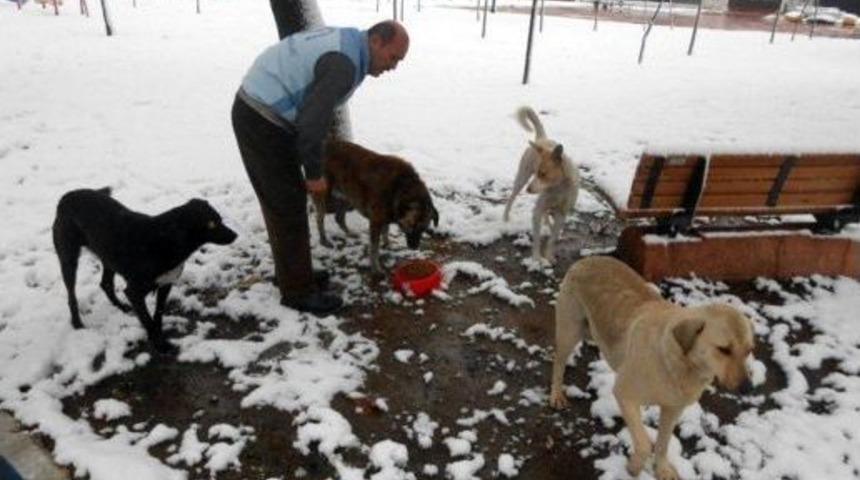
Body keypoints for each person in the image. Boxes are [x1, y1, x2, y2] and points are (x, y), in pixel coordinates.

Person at [231, 21, 409, 315]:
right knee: (286, 203)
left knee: (285, 200)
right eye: (393, 58)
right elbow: (312, 123)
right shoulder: (344, 64)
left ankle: (293, 274)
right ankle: (297, 292)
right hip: (261, 118)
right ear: (376, 41)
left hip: (262, 108)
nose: (394, 67)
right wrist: (315, 174)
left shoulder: (349, 43)